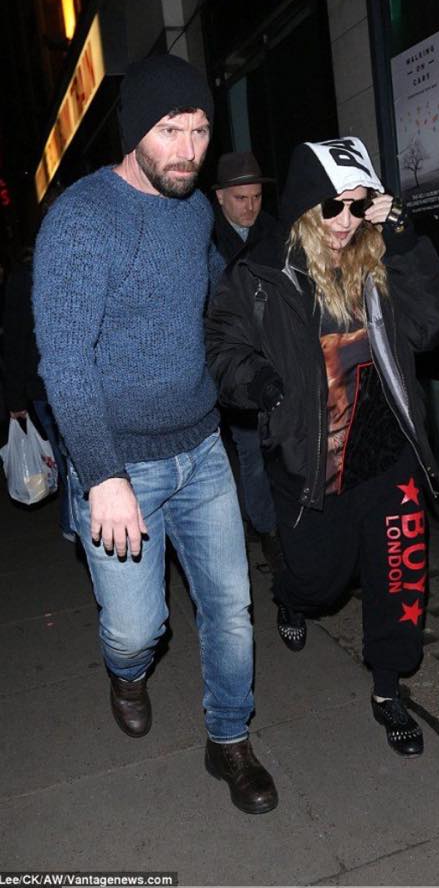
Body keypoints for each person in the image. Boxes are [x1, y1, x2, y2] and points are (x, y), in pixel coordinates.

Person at [33, 54, 277, 814]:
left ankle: (229, 739)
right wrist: (103, 475)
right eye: (171, 130)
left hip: (201, 449)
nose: (188, 150)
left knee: (231, 608)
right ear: (136, 129)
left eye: (200, 131)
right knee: (139, 628)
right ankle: (127, 672)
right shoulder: (82, 221)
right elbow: (65, 361)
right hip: (120, 464)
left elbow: (210, 300)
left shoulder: (195, 210)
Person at [206, 135, 439, 758]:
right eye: (332, 207)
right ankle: (291, 596)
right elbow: (223, 348)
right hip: (314, 461)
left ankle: (388, 689)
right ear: (303, 205)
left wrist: (401, 238)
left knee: (399, 577)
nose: (346, 221)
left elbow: (434, 322)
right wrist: (261, 383)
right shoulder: (263, 274)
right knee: (319, 582)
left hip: (390, 456)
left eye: (359, 205)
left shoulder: (380, 260)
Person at [213, 151, 280, 567]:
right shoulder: (204, 241)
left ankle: (274, 523)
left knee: (276, 450)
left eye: (256, 197)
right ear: (220, 197)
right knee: (249, 451)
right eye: (241, 198)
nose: (250, 207)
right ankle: (265, 529)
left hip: (272, 358)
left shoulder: (274, 232)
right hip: (230, 362)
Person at [3, 251, 73, 539]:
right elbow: (14, 340)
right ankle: (72, 523)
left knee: (73, 458)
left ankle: (73, 523)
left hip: (61, 383)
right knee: (67, 459)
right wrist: (15, 398)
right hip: (44, 386)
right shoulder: (26, 277)